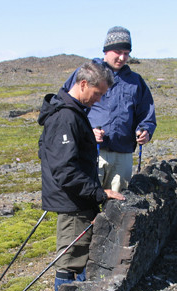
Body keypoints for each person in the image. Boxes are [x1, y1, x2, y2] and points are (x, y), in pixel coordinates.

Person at [38, 61, 125, 291]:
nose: (98, 100)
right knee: (70, 261)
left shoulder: (72, 112)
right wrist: (98, 193)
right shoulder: (65, 117)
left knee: (77, 256)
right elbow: (64, 169)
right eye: (97, 93)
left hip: (77, 198)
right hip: (73, 202)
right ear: (83, 84)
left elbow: (49, 152)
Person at [63, 26, 157, 192]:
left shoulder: (136, 81)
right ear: (106, 50)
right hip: (91, 151)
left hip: (123, 154)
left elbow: (146, 114)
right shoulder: (86, 73)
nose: (122, 57)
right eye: (118, 52)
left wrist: (145, 130)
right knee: (86, 198)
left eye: (126, 53)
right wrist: (87, 132)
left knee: (120, 201)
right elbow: (67, 105)